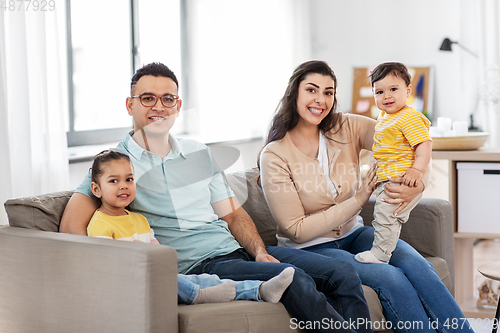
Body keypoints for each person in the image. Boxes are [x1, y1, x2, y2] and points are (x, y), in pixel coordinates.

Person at [60, 62, 373, 333]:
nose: (159, 106)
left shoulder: (196, 152)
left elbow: (233, 215)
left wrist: (260, 252)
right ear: (130, 105)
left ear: (178, 106)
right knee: (294, 279)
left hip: (236, 252)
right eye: (148, 98)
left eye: (168, 99)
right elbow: (71, 231)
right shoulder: (116, 165)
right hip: (198, 266)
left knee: (342, 272)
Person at [259, 60, 474, 333]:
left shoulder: (345, 126)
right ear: (295, 93)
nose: (320, 100)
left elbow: (411, 145)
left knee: (420, 268)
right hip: (310, 248)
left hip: (354, 235)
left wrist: (416, 184)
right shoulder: (275, 155)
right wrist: (359, 199)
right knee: (391, 278)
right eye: (312, 90)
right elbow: (296, 229)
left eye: (329, 92)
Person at [86, 149, 294, 305]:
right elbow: (108, 266)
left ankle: (259, 290)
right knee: (169, 280)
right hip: (129, 281)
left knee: (204, 279)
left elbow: (158, 252)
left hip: (159, 275)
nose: (123, 185)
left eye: (129, 179)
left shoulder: (139, 220)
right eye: (114, 181)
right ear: (96, 189)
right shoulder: (100, 224)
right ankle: (198, 294)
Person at [354, 62, 432, 265]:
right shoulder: (384, 117)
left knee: (385, 216)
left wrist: (417, 170)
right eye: (379, 91)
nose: (386, 96)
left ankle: (381, 254)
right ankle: (383, 250)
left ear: (407, 91)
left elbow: (424, 145)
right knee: (383, 215)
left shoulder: (408, 117)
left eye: (393, 89)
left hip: (401, 178)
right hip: (388, 177)